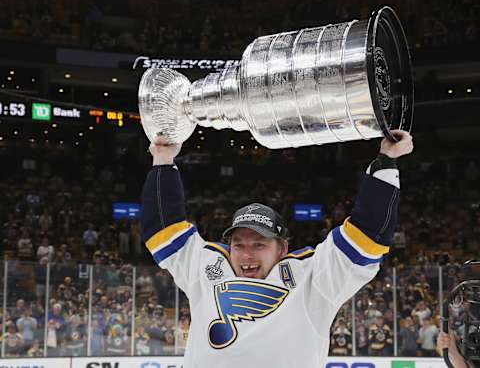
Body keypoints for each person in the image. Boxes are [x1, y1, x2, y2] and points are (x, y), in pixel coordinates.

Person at [141, 130, 413, 367]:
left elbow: (367, 234)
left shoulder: (313, 279)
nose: (247, 254)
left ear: (282, 248)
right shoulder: (208, 267)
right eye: (239, 244)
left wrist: (386, 161)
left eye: (259, 244)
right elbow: (163, 230)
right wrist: (163, 160)